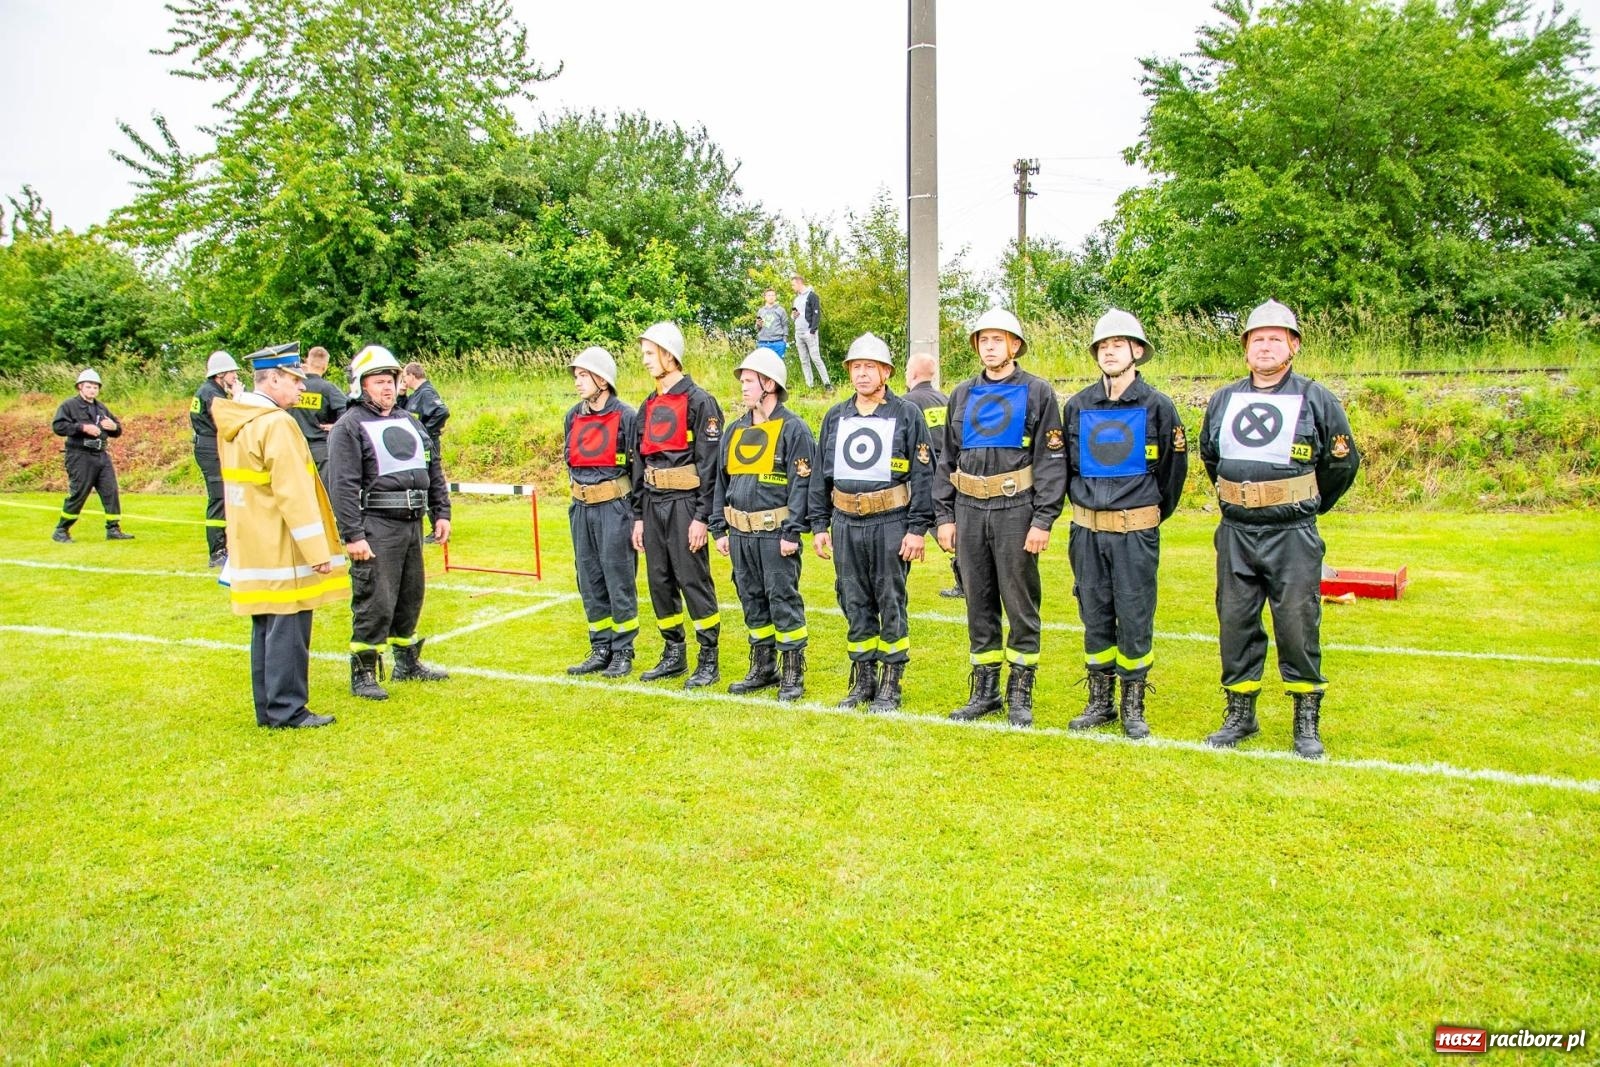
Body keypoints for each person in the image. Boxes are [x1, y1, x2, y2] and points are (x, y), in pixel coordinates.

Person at [1199, 300, 1360, 759]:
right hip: (1236, 531)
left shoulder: (1316, 397)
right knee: (1235, 621)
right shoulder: (1225, 399)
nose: (1265, 346)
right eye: (1257, 339)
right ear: (1245, 349)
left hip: (1292, 533)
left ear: (1293, 346)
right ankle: (1240, 713)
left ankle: (1305, 718)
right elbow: (1212, 457)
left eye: (1275, 338)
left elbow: (1341, 463)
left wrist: (1301, 504)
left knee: (1296, 621)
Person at [934, 309, 1067, 728]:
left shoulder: (1037, 392)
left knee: (1019, 601)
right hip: (969, 509)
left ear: (1015, 345)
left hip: (1016, 509)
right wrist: (944, 516)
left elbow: (1051, 460)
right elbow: (947, 458)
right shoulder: (960, 395)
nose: (990, 347)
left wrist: (1043, 519)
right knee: (978, 601)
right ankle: (985, 690)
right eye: (983, 340)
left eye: (999, 339)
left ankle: (1020, 692)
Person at [1062, 309, 1188, 740]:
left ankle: (1133, 705)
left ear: (1137, 351)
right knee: (1093, 611)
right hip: (1086, 533)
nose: (1110, 351)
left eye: (1118, 344)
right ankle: (1100, 701)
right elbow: (1066, 471)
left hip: (1135, 532)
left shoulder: (1158, 407)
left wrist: (1142, 513)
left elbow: (1173, 473)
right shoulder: (1077, 406)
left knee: (1134, 615)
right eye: (1103, 346)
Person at [214, 348, 349, 729]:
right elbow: (294, 492)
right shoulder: (276, 424)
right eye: (294, 379)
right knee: (288, 627)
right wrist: (316, 549)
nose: (301, 385)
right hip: (281, 542)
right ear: (272, 378)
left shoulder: (238, 420)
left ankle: (270, 708)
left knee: (266, 627)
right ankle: (288, 709)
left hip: (253, 538)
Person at [810, 332, 934, 713]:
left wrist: (917, 529)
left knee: (890, 598)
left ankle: (891, 682)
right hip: (846, 522)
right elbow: (820, 475)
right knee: (852, 598)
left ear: (885, 372)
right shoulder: (836, 415)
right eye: (856, 367)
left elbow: (923, 474)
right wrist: (818, 525)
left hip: (890, 521)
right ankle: (862, 677)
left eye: (870, 367)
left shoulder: (907, 414)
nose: (862, 374)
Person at [328, 344, 452, 700]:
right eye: (379, 381)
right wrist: (353, 534)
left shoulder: (408, 421)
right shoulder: (349, 427)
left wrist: (440, 512)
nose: (387, 388)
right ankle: (364, 671)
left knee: (410, 595)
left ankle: (407, 661)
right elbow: (343, 485)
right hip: (376, 525)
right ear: (362, 386)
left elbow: (433, 468)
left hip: (411, 522)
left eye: (391, 381)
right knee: (375, 598)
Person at [710, 349, 816, 701]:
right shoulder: (735, 429)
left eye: (748, 380)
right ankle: (763, 666)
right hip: (740, 533)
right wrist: (719, 527)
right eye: (742, 380)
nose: (742, 386)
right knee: (751, 598)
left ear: (769, 384)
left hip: (775, 534)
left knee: (782, 598)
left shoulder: (794, 429)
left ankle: (792, 672)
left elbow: (803, 484)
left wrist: (793, 532)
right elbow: (720, 481)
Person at [629, 321, 725, 688]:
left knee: (692, 579)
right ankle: (673, 653)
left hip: (687, 504)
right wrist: (638, 515)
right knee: (659, 580)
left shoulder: (701, 402)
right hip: (653, 506)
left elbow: (710, 465)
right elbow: (638, 463)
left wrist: (703, 517)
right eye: (644, 354)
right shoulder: (648, 405)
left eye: (650, 354)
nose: (646, 361)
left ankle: (708, 658)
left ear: (670, 355)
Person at [563, 346, 641, 679]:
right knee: (589, 578)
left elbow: (639, 470)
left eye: (584, 375)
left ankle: (623, 650)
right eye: (577, 376)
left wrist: (637, 516)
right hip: (581, 508)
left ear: (602, 380)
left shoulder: (626, 416)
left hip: (614, 508)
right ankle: (600, 647)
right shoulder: (573, 416)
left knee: (618, 577)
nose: (578, 382)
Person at [902, 349, 962, 599]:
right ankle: (968, 578)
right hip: (949, 474)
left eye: (906, 370)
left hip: (925, 476)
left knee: (928, 527)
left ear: (913, 373)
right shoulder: (946, 399)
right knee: (949, 527)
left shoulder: (908, 404)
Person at [50, 369, 134, 543]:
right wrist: (82, 428)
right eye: (89, 387)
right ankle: (61, 530)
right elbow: (58, 426)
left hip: (101, 454)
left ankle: (113, 529)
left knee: (110, 490)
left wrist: (114, 427)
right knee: (79, 492)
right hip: (79, 454)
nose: (92, 390)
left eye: (95, 387)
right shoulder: (69, 406)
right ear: (80, 387)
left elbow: (117, 430)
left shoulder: (101, 408)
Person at [191, 350, 242, 566]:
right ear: (220, 375)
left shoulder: (208, 391)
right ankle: (217, 551)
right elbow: (227, 420)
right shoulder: (212, 394)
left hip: (209, 445)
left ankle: (223, 546)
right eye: (232, 373)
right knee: (219, 497)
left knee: (222, 496)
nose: (235, 378)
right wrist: (237, 398)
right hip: (211, 447)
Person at [400, 361, 450, 543]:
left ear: (412, 376)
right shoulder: (415, 395)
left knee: (430, 483)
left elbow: (442, 411)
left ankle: (438, 526)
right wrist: (402, 396)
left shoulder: (426, 393)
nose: (403, 381)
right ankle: (434, 525)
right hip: (418, 447)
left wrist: (426, 433)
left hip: (428, 446)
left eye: (404, 376)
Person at [286, 345, 348, 491]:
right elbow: (348, 411)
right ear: (325, 366)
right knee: (323, 495)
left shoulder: (291, 388)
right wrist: (337, 426)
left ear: (307, 361)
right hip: (320, 451)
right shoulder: (327, 388)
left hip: (293, 447)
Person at [790, 272, 829, 390]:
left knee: (815, 358)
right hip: (799, 333)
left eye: (793, 285)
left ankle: (827, 384)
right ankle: (809, 385)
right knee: (804, 360)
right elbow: (794, 315)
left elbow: (817, 314)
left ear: (799, 283)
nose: (792, 287)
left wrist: (812, 330)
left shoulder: (812, 296)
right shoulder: (796, 299)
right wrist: (793, 315)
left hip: (809, 333)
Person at [755, 288, 788, 357]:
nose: (771, 297)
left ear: (775, 297)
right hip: (763, 343)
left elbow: (785, 325)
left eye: (773, 295)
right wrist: (758, 325)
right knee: (763, 366)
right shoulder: (761, 311)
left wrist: (784, 341)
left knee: (777, 365)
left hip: (778, 343)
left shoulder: (781, 310)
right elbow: (757, 328)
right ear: (765, 297)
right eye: (769, 295)